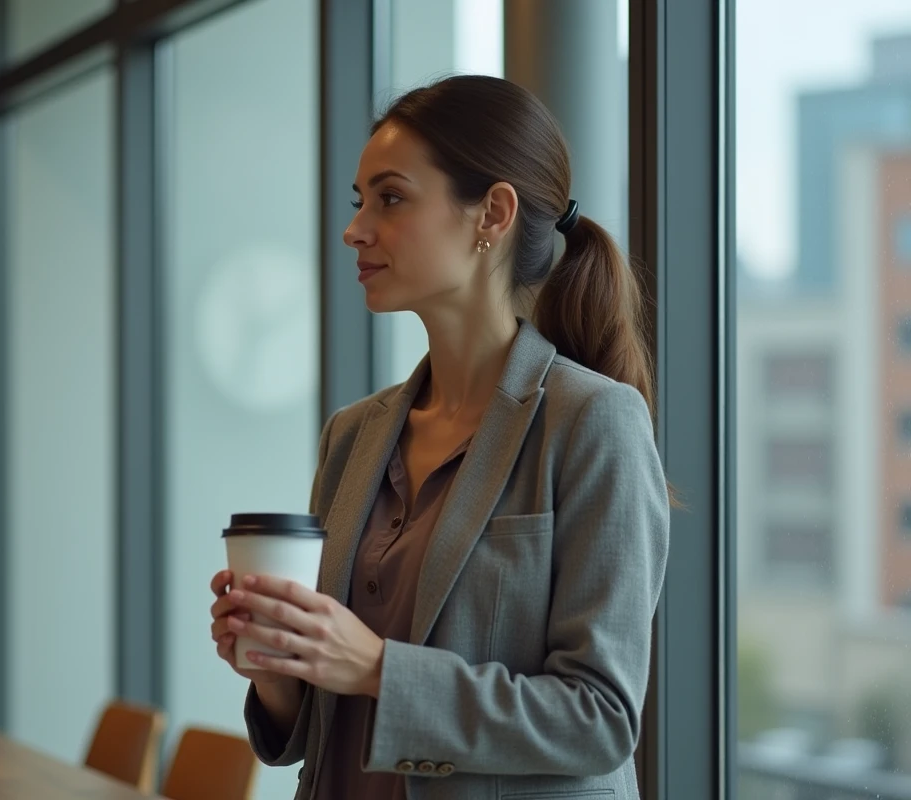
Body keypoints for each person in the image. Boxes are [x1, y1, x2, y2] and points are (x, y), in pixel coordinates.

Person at [208, 74, 671, 800]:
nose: (355, 229)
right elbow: (320, 728)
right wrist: (279, 667)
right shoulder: (352, 435)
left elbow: (600, 719)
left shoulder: (593, 422)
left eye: (390, 198)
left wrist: (373, 666)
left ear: (492, 212)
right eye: (359, 202)